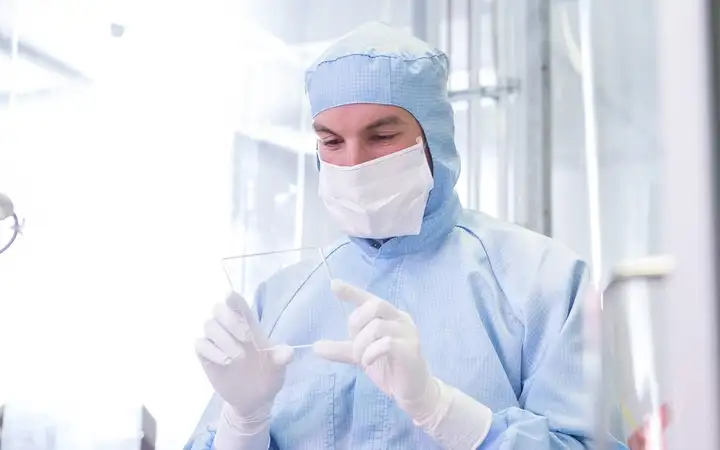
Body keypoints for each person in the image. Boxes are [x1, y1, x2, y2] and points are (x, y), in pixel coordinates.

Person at [186, 22, 617, 449]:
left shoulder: (541, 283)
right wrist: (243, 423)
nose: (354, 163)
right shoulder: (279, 301)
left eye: (382, 136)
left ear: (435, 137)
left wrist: (442, 411)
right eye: (332, 142)